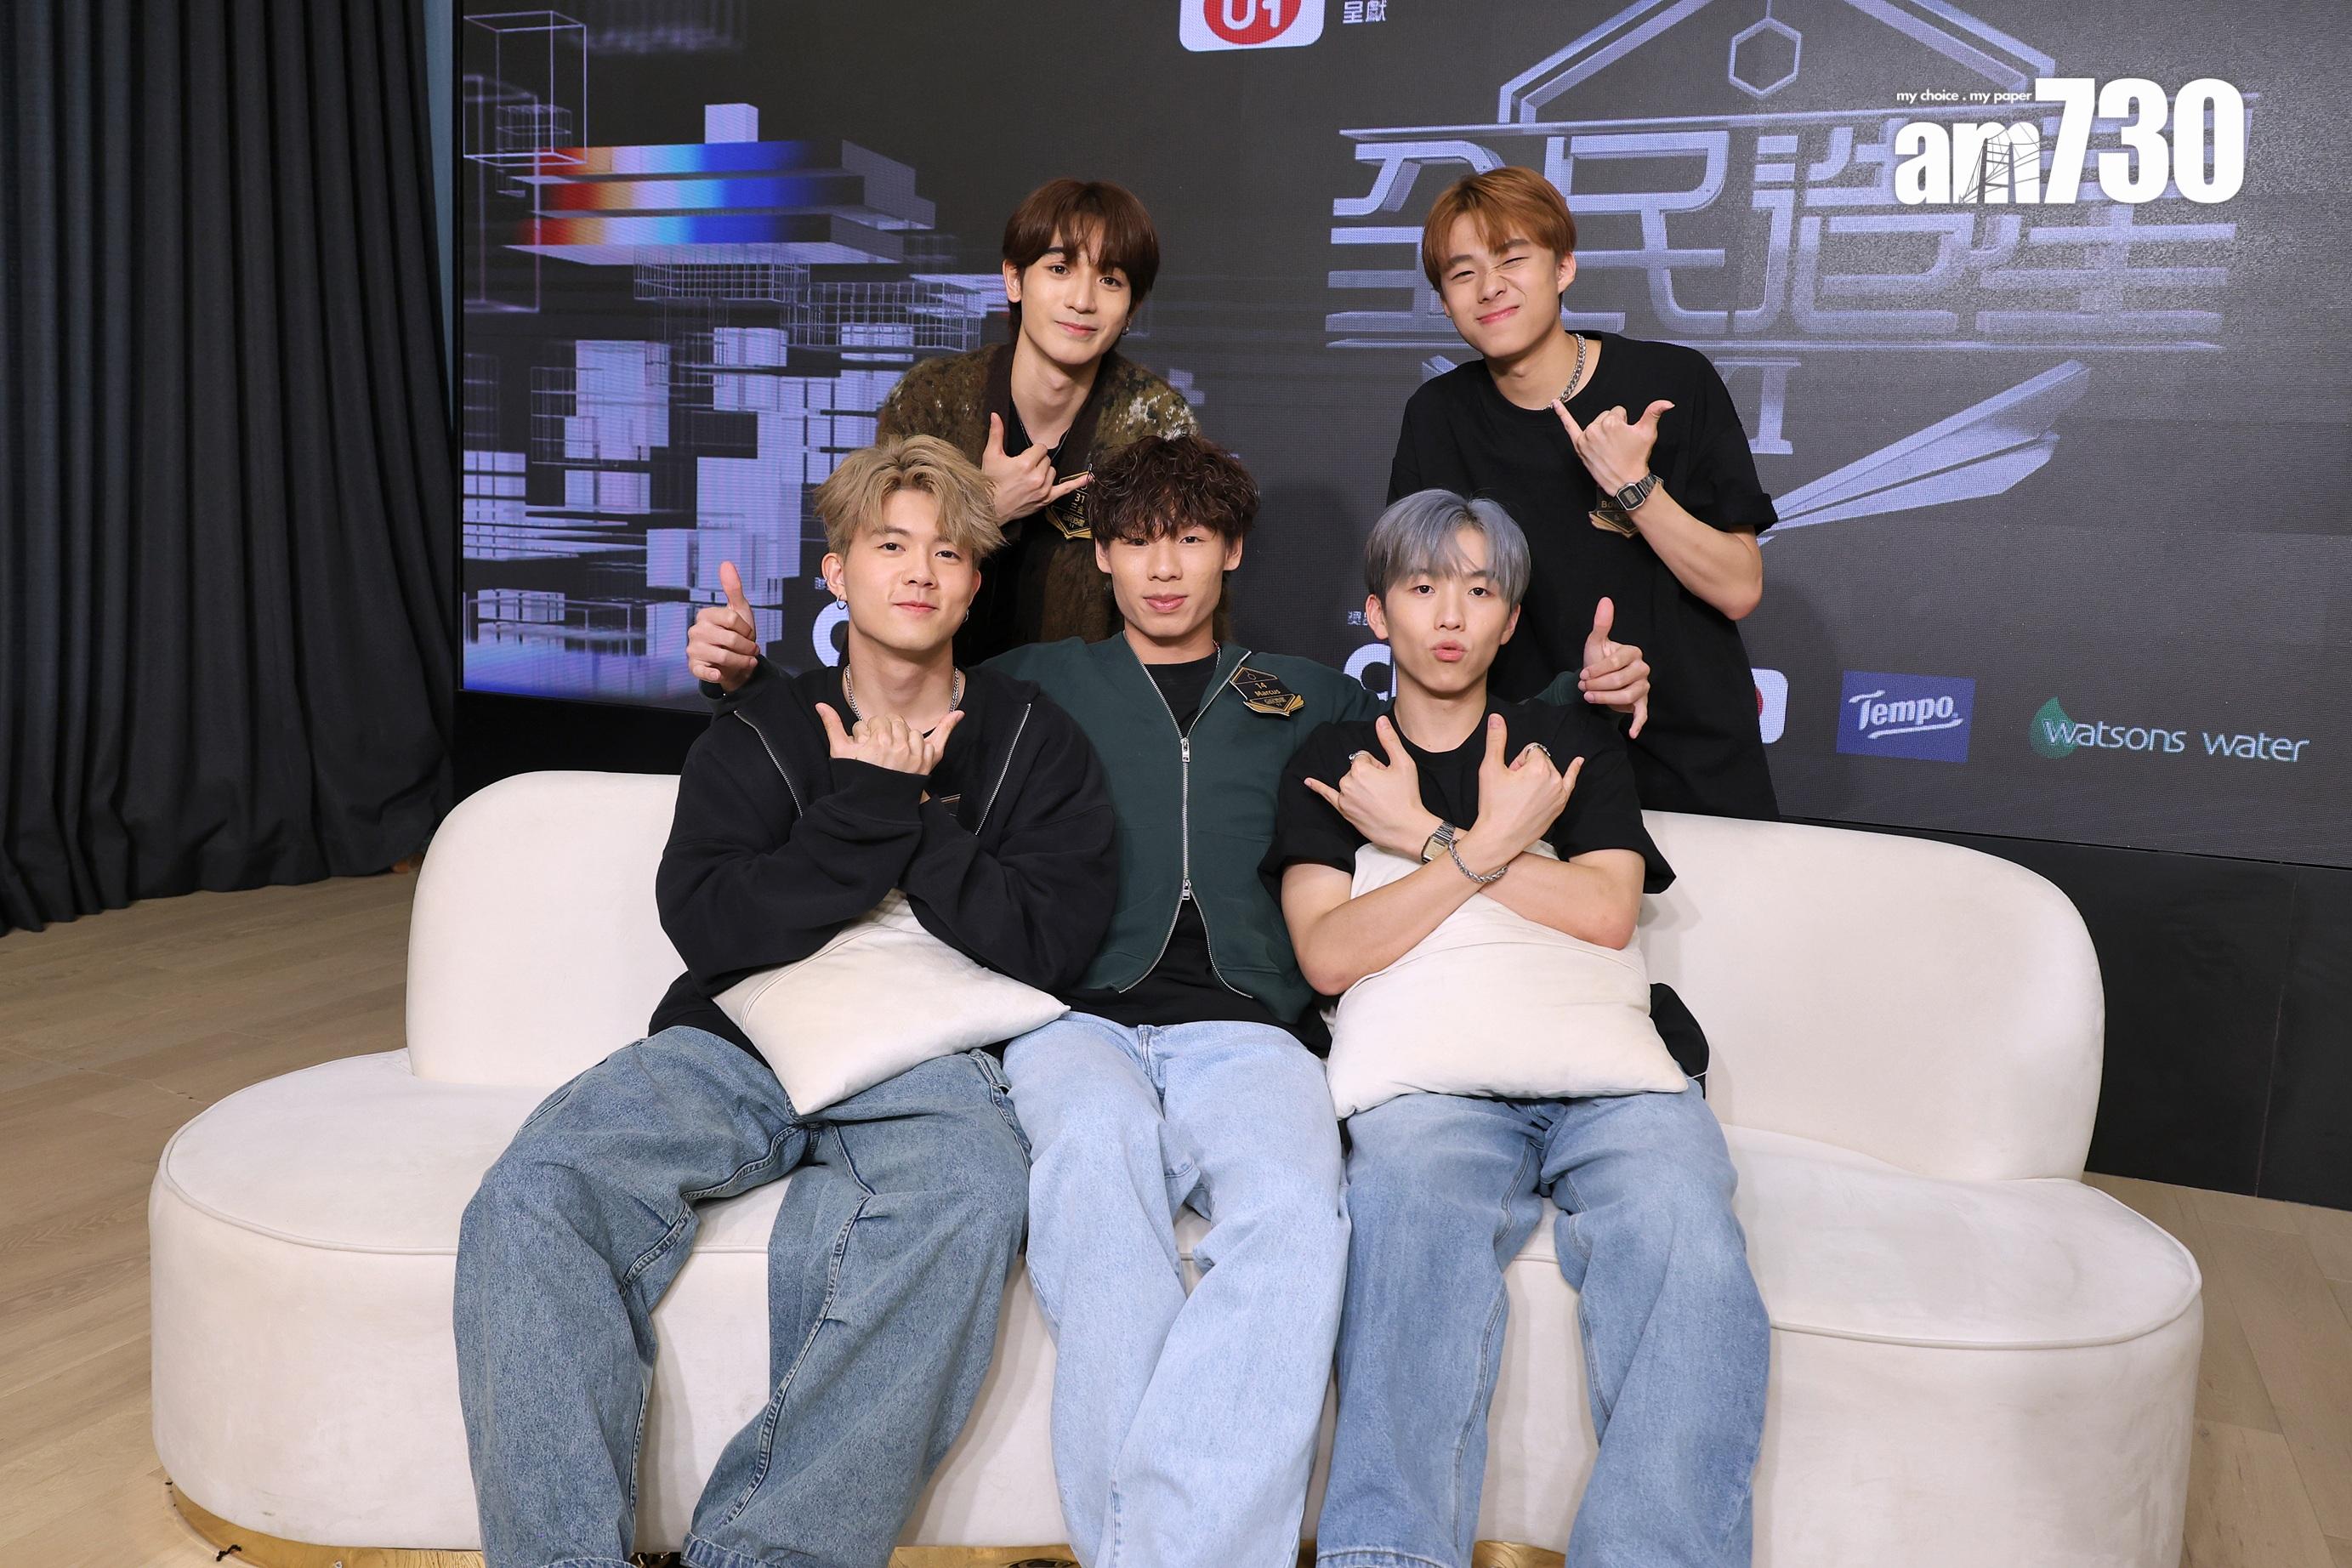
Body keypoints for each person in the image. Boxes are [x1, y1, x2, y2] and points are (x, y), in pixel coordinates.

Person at [693, 433, 1376, 1568]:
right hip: (1070, 1017)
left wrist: (1582, 707)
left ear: (1231, 550)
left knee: (1300, 1221)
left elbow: (1453, 730)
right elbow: (870, 711)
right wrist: (744, 683)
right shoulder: (1031, 685)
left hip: (1251, 1026)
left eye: (1191, 539)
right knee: (1094, 1195)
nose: (1164, 566)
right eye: (1137, 540)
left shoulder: (1312, 694)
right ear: (1100, 555)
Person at [453, 436, 1118, 1568]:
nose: (919, 571)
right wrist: (865, 806)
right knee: (534, 1193)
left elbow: (1049, 943)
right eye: (891, 545)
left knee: (967, 1193)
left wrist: (913, 814)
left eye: (948, 552)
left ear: (974, 580)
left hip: (929, 1055)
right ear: (838, 573)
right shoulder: (761, 729)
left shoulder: (1032, 738)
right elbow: (712, 923)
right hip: (737, 1041)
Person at [1267, 490, 1770, 1568]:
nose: (1450, 613)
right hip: (1430, 1095)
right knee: (1408, 1224)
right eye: (1422, 586)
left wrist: (1429, 838)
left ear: (1509, 618)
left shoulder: (1567, 742)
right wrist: (1495, 845)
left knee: (1686, 1228)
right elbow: (1330, 952)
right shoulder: (1339, 759)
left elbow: (1606, 910)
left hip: (1613, 1091)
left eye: (1480, 588)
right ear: (1377, 612)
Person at [1392, 165, 1781, 818]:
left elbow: (1739, 587)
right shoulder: (1437, 417)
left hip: (1688, 752)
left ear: (1564, 267)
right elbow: (1419, 606)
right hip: (1521, 761)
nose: (1490, 287)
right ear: (1444, 300)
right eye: (1462, 274)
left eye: (1512, 259)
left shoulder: (1673, 382)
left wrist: (1633, 486)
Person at [877, 177, 1200, 661]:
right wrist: (985, 511)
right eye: (1060, 269)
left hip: (1086, 697)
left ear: (1132, 308)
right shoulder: (931, 399)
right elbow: (878, 563)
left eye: (1110, 280)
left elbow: (1181, 591)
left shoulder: (1155, 420)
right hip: (932, 685)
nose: (1083, 300)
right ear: (1014, 279)